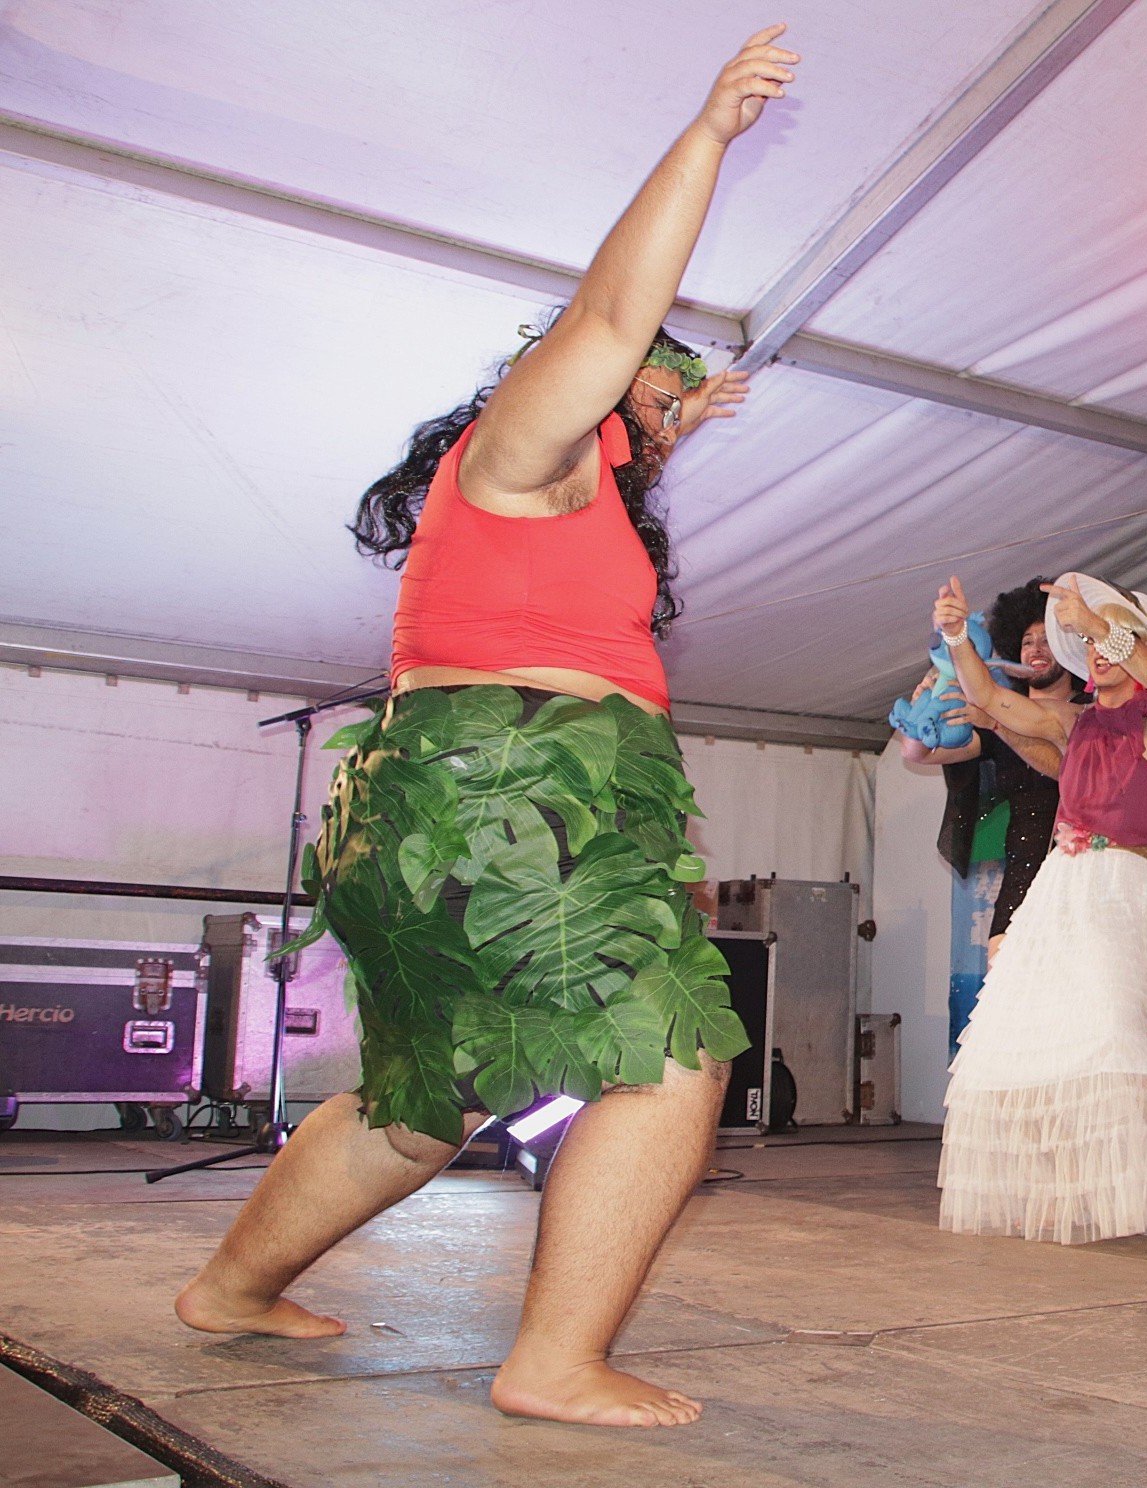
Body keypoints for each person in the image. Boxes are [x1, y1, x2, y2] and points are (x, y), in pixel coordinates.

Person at [170, 29, 799, 1429]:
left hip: (435, 800)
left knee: (423, 1093)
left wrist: (681, 419)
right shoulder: (523, 445)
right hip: (514, 789)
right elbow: (607, 321)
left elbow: (633, 416)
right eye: (651, 396)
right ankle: (553, 1360)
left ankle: (231, 1287)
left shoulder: (558, 496)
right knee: (672, 1055)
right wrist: (705, 137)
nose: (660, 416)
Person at [930, 574, 1147, 1253]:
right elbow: (988, 697)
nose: (1097, 651)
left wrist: (1101, 623)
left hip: (1118, 888)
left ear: (1134, 644)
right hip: (1057, 888)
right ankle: (1058, 1191)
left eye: (1109, 639)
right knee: (1012, 1038)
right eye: (1090, 642)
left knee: (1114, 1037)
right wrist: (956, 635)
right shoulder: (1073, 723)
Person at [897, 580, 1084, 962]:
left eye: (1047, 639)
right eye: (1027, 641)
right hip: (1022, 876)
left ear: (1069, 648)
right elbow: (917, 754)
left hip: (1080, 875)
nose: (1035, 649)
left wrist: (996, 715)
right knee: (1002, 981)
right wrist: (920, 712)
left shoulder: (1086, 711)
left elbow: (1062, 765)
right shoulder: (994, 714)